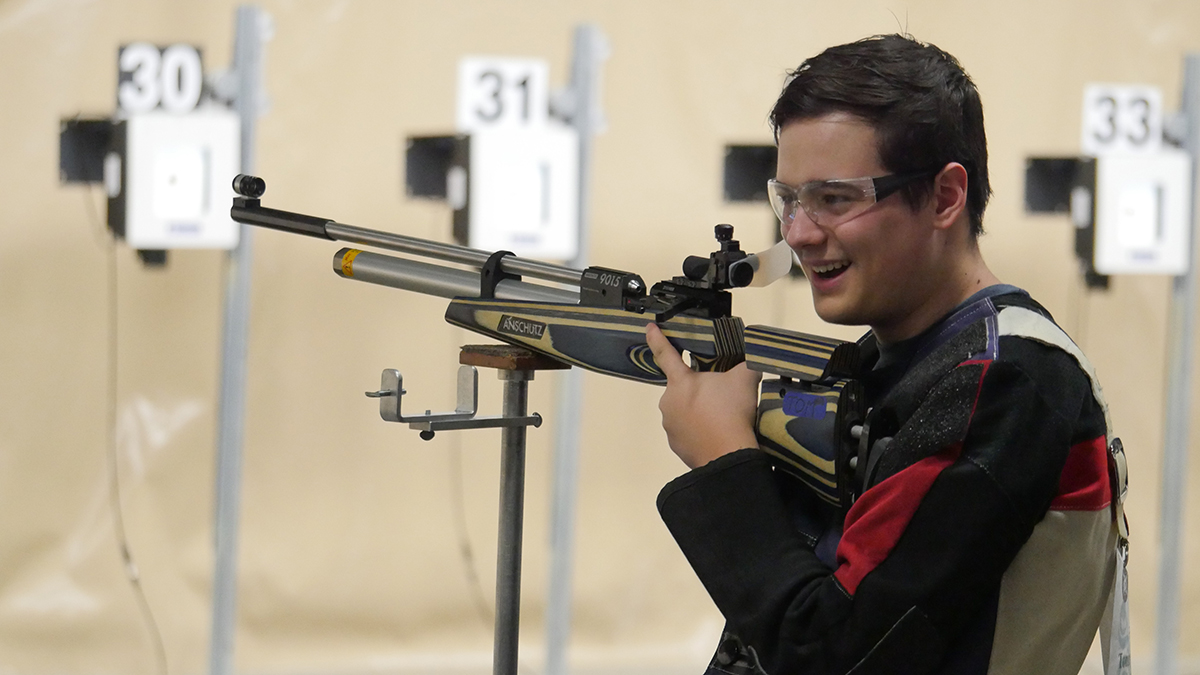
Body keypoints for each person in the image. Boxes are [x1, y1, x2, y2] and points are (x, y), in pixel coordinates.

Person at [644, 34, 1128, 675]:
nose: (798, 233)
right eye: (787, 199)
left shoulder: (1002, 380)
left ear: (946, 197)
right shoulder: (904, 360)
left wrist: (726, 463)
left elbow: (836, 654)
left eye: (836, 198)